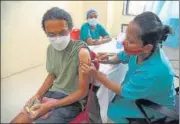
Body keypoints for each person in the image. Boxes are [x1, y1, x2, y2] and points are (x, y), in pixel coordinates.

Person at [80, 11, 176, 123]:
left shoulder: (152, 71)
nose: (124, 42)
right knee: (111, 99)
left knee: (111, 111)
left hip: (156, 106)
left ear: (146, 47)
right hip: (141, 92)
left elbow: (122, 91)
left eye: (130, 41)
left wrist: (97, 75)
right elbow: (121, 57)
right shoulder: (140, 51)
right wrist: (108, 60)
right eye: (126, 37)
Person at [10, 7, 92, 123]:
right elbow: (52, 75)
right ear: (46, 33)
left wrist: (51, 106)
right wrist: (38, 95)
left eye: (62, 32)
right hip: (52, 93)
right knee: (19, 120)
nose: (58, 39)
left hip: (72, 101)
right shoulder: (50, 49)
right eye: (52, 35)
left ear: (70, 29)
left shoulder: (81, 52)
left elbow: (82, 92)